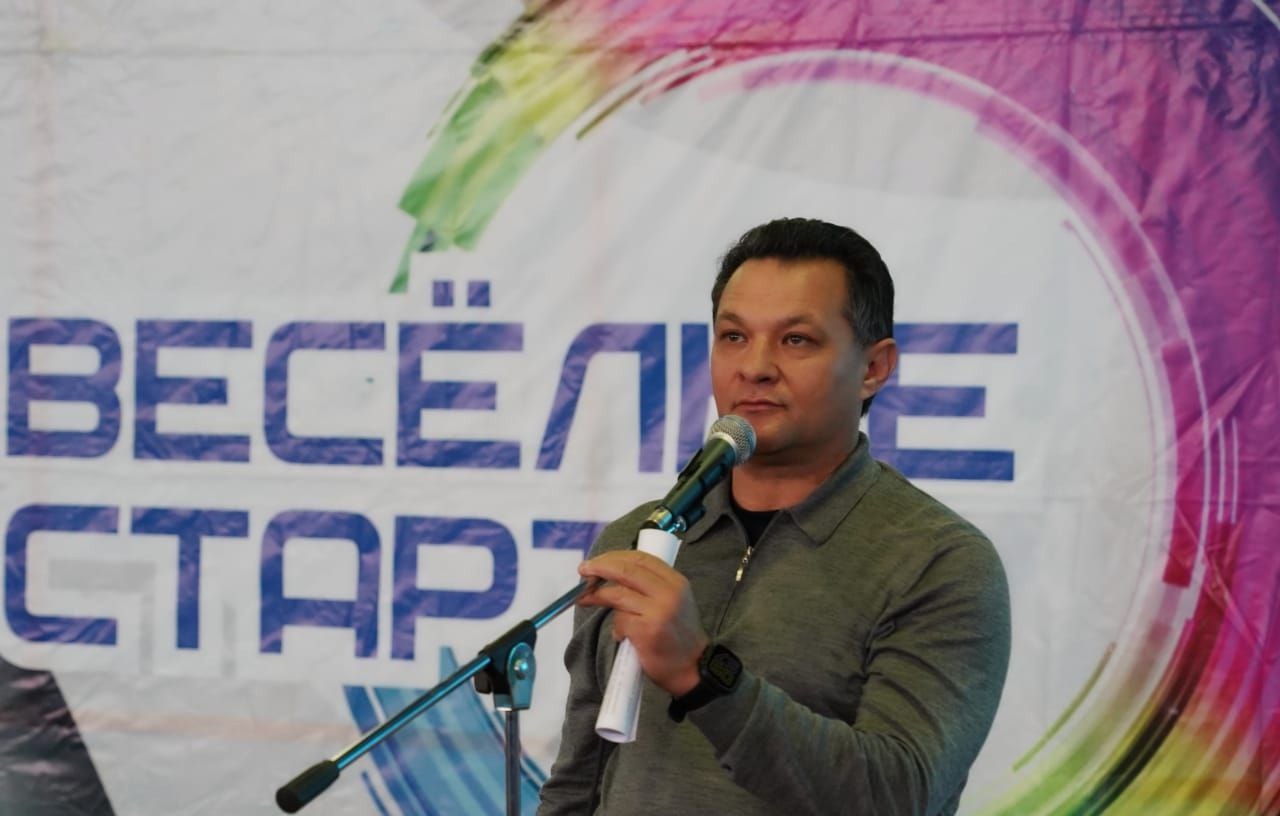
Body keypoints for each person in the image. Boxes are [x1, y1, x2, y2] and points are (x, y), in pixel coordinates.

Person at [537, 218, 1011, 816]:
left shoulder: (939, 561)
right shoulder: (641, 538)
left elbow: (899, 791)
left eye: (796, 340)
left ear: (873, 368)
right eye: (734, 336)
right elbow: (579, 780)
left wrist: (702, 673)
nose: (755, 366)